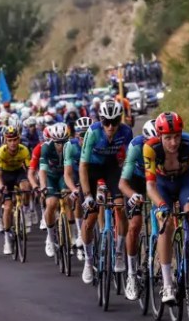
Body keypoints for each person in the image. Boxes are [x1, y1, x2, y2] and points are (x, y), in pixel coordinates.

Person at [143, 112, 189, 303]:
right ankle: (167, 284)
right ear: (160, 137)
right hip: (161, 186)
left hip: (184, 182)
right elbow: (150, 186)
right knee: (166, 224)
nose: (173, 142)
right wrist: (160, 205)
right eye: (168, 138)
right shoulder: (150, 148)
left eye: (177, 136)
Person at [78, 100, 133, 284]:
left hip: (111, 168)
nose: (110, 127)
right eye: (106, 122)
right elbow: (83, 166)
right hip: (92, 169)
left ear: (120, 120)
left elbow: (128, 161)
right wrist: (87, 195)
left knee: (120, 207)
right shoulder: (93, 132)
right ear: (100, 120)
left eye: (114, 121)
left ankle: (118, 251)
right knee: (91, 217)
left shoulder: (126, 132)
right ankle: (88, 260)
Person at [118, 120, 157, 300]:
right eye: (151, 143)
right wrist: (132, 195)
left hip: (157, 180)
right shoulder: (135, 146)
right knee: (134, 225)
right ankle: (132, 275)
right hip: (136, 181)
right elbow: (123, 182)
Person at [0, 126, 31, 255]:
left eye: (15, 140)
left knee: (26, 188)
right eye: (10, 140)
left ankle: (26, 213)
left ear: (19, 139)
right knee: (8, 207)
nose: (13, 143)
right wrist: (1, 186)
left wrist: (32, 182)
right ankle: (7, 240)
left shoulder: (24, 150)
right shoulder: (1, 152)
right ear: (6, 141)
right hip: (6, 176)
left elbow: (30, 170)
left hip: (19, 173)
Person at [38, 122, 70, 258]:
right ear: (52, 140)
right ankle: (50, 239)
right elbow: (42, 170)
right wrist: (43, 186)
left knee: (69, 199)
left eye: (63, 142)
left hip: (64, 176)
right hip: (51, 177)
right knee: (51, 203)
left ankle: (74, 234)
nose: (60, 146)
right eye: (58, 142)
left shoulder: (71, 147)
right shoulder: (46, 148)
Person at [64, 115, 92, 261]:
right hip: (75, 176)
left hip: (91, 174)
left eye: (88, 135)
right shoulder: (71, 146)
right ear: (76, 135)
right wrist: (74, 189)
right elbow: (67, 174)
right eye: (82, 136)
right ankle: (80, 233)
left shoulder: (97, 144)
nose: (85, 140)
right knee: (77, 199)